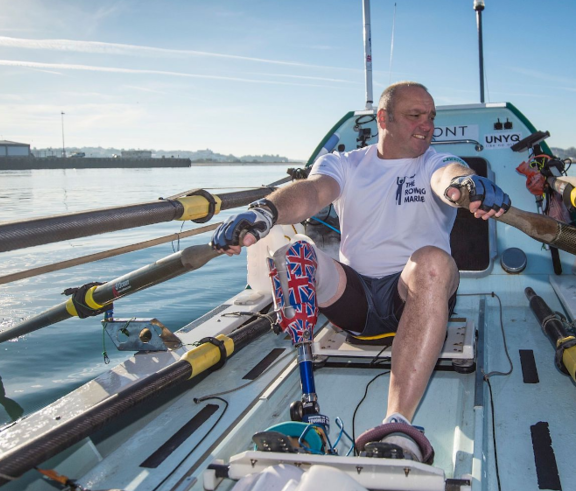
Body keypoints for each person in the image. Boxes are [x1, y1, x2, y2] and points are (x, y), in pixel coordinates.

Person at [211, 81, 510, 462]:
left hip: (413, 297)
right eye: (415, 115)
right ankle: (309, 414)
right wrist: (265, 211)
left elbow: (449, 176)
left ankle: (398, 423)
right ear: (383, 118)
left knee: (433, 261)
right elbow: (313, 192)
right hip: (356, 303)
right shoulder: (345, 163)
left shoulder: (435, 161)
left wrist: (465, 184)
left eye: (431, 116)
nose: (426, 125)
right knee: (294, 254)